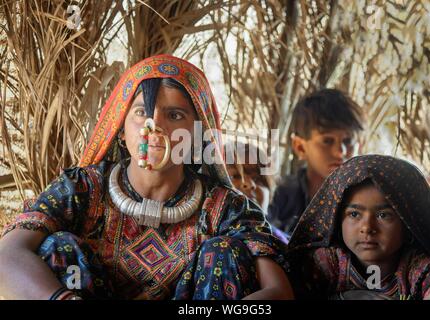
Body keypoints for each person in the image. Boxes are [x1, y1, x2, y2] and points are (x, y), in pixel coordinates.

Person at [0, 55, 293, 300]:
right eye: (141, 112)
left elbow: (278, 292)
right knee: (59, 246)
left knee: (224, 252)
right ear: (121, 124)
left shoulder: (226, 209)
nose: (155, 128)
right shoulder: (82, 189)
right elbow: (7, 255)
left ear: (197, 131)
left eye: (175, 115)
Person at [287, 154, 430, 300]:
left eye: (383, 215)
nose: (367, 227)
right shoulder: (326, 263)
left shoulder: (418, 270)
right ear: (337, 220)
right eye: (354, 214)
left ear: (408, 225)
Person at [268, 89, 364, 238]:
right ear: (300, 147)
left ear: (360, 145)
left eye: (348, 141)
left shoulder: (367, 198)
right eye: (327, 141)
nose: (340, 152)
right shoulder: (279, 196)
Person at [224, 142, 288, 243]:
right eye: (235, 176)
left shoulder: (285, 244)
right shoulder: (208, 244)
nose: (250, 184)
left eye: (258, 179)